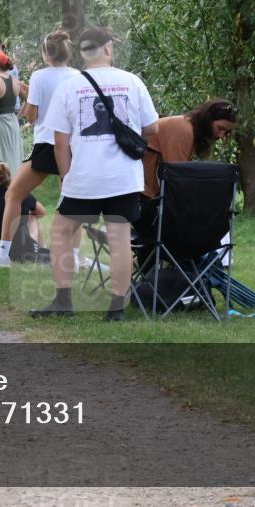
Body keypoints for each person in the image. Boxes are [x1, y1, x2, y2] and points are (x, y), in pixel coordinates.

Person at [35, 26, 159, 322]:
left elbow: (60, 143)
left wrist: (65, 176)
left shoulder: (69, 87)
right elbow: (152, 128)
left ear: (82, 53)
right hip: (123, 177)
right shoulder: (132, 81)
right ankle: (116, 308)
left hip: (84, 177)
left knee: (61, 232)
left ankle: (63, 299)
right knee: (119, 238)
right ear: (107, 49)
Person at [0, 29, 76, 268]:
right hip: (71, 144)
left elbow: (32, 114)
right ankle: (73, 255)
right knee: (72, 200)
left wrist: (29, 114)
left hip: (46, 144)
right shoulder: (77, 75)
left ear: (45, 54)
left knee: (13, 194)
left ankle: (3, 253)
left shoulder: (41, 76)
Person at [142, 99, 237, 199]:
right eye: (220, 128)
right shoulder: (184, 130)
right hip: (142, 189)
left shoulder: (190, 129)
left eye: (226, 132)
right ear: (208, 120)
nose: (222, 135)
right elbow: (176, 176)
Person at [0, 161, 45, 260]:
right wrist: (25, 214)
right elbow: (42, 212)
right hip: (22, 250)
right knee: (32, 217)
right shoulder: (20, 196)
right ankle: (42, 250)